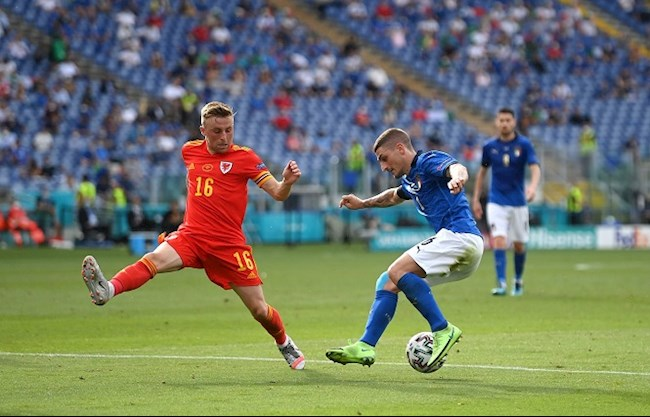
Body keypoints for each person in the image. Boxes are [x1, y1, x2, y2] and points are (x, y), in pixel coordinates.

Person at [81, 101, 306, 370]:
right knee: (153, 259)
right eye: (217, 131)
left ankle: (284, 343)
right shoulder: (189, 151)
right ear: (203, 130)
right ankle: (109, 289)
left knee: (259, 310)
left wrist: (287, 183)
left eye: (229, 130)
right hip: (192, 236)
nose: (224, 137)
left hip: (228, 246)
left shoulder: (245, 158)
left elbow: (278, 194)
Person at [325, 127, 484, 370]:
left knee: (397, 271)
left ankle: (443, 329)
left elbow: (455, 167)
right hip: (461, 249)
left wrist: (458, 177)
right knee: (387, 281)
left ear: (400, 148)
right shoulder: (410, 180)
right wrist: (363, 203)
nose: (383, 167)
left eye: (384, 159)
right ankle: (366, 345)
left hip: (459, 237)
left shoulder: (427, 161)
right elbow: (392, 197)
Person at [471, 107, 541, 297]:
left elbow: (535, 167)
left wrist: (533, 187)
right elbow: (482, 172)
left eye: (507, 120)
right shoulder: (489, 146)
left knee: (519, 244)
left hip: (518, 201)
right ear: (496, 122)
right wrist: (476, 198)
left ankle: (517, 280)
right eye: (501, 120)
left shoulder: (524, 145)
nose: (504, 123)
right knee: (499, 240)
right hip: (496, 201)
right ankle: (501, 283)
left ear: (514, 122)